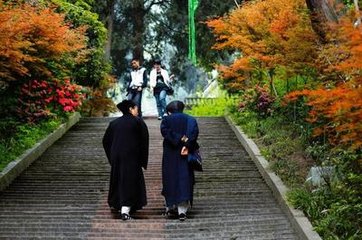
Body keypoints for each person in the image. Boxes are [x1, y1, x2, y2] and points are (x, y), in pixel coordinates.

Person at [102, 100, 149, 221]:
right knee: (130, 182)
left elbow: (106, 141)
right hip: (132, 157)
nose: (137, 110)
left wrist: (112, 157)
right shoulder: (138, 122)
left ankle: (118, 205)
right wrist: (143, 160)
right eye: (135, 108)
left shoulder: (114, 123)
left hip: (117, 157)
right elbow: (144, 141)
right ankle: (126, 211)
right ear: (130, 109)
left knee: (118, 180)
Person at [160, 100, 199, 221]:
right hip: (185, 153)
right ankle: (182, 210)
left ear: (170, 111)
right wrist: (186, 145)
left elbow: (165, 132)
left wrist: (178, 138)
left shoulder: (166, 120)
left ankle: (170, 206)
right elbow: (194, 134)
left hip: (170, 154)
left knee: (170, 178)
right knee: (185, 179)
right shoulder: (191, 119)